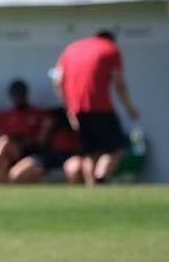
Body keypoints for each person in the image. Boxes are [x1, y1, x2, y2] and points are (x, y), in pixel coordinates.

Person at [54, 31, 140, 185]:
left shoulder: (71, 49)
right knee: (116, 148)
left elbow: (57, 81)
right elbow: (119, 84)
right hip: (101, 107)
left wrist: (69, 109)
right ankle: (101, 176)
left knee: (89, 152)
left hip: (77, 110)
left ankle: (92, 188)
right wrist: (130, 108)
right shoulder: (110, 48)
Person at [0, 79, 49, 186]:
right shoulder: (7, 115)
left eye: (20, 93)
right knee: (2, 158)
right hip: (9, 152)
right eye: (15, 94)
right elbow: (0, 136)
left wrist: (25, 140)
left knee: (5, 142)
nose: (18, 97)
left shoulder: (37, 114)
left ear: (26, 94)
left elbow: (41, 140)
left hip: (28, 150)